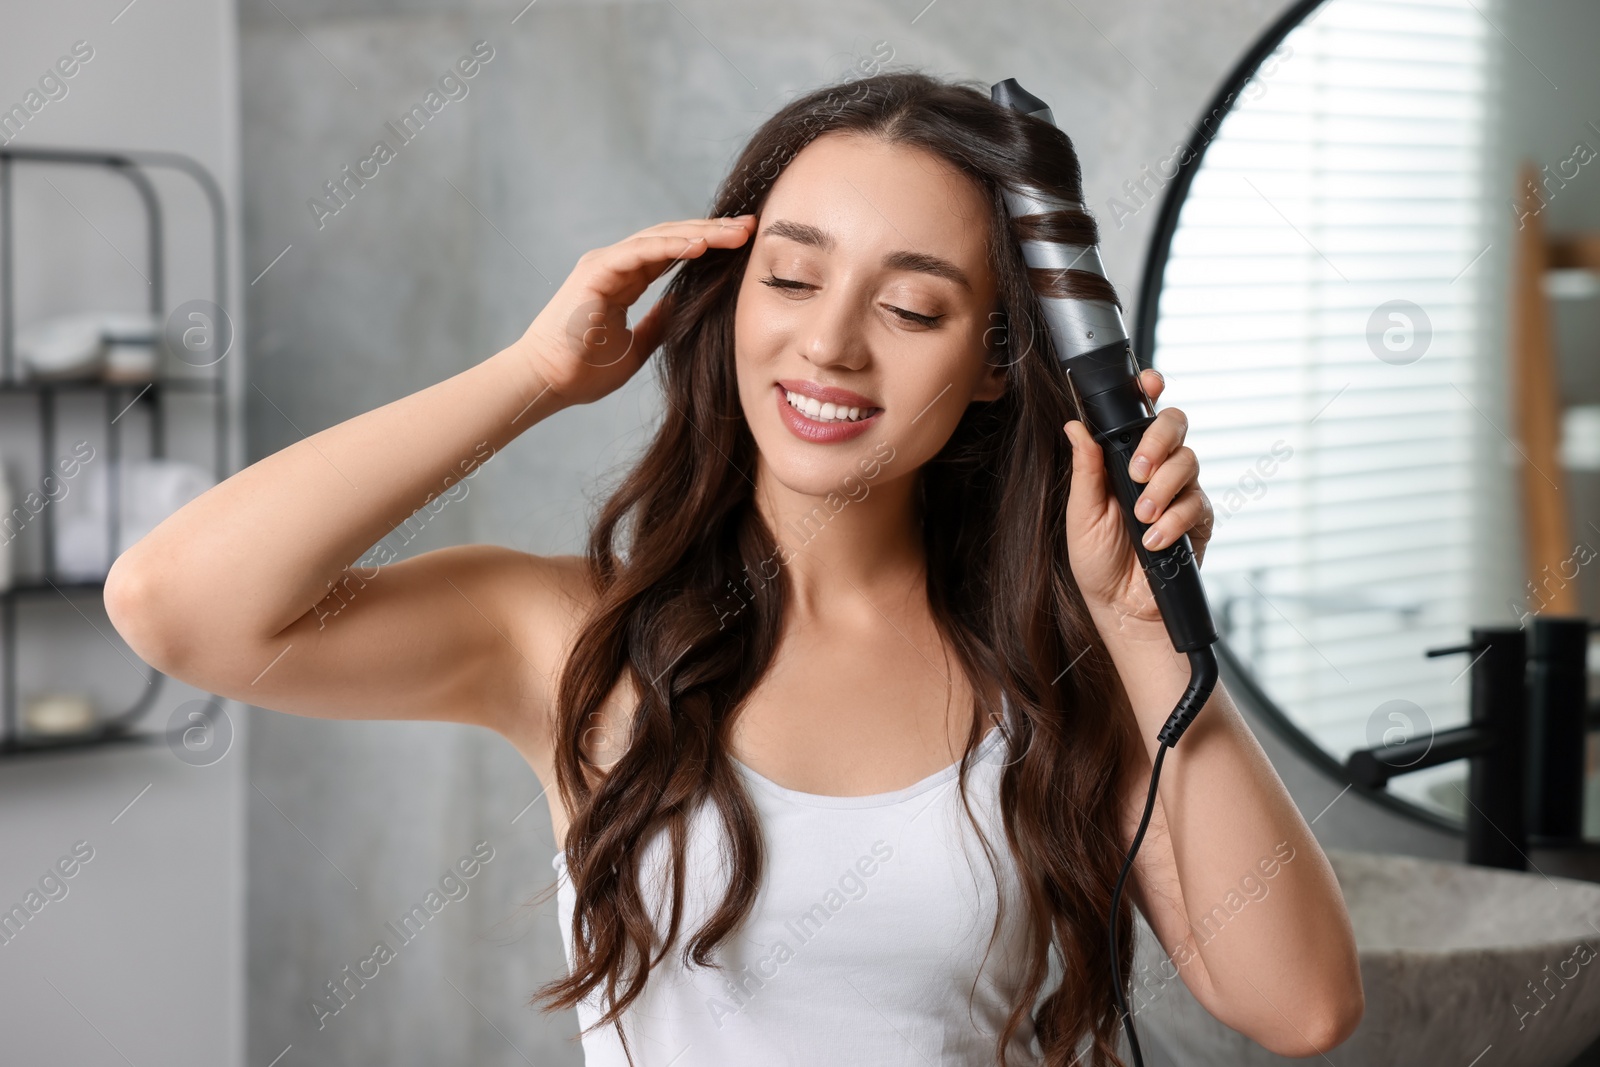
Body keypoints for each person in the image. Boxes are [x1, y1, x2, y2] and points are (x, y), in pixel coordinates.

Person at [105, 70, 1362, 1067]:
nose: (827, 343)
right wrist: (534, 376)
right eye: (794, 276)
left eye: (910, 309)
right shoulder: (568, 636)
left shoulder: (1062, 659)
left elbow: (1300, 1004)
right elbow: (174, 604)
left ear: (994, 361)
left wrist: (1144, 634)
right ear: (729, 291)